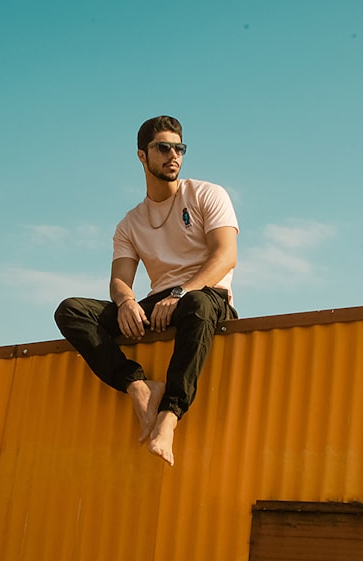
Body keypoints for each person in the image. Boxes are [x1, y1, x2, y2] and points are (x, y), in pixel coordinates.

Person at [54, 115, 239, 467]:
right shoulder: (130, 223)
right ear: (142, 156)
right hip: (160, 302)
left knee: (199, 304)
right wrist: (124, 302)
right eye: (164, 148)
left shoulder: (206, 194)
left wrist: (181, 292)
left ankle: (169, 417)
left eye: (179, 148)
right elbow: (119, 279)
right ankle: (138, 386)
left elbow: (225, 256)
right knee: (71, 310)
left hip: (205, 295)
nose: (174, 155)